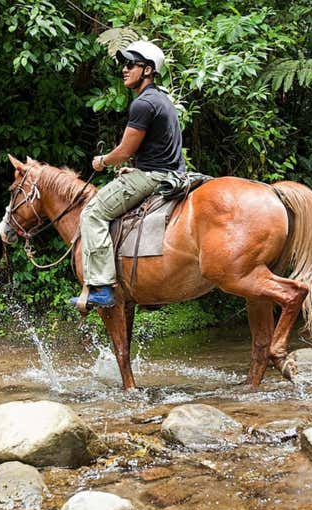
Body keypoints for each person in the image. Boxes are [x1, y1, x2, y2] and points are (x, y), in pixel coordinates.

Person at [70, 40, 186, 309]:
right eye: (125, 64)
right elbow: (158, 149)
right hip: (169, 173)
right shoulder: (161, 100)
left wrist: (102, 161)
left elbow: (123, 150)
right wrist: (135, 168)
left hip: (152, 177)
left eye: (130, 65)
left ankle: (102, 288)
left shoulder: (143, 104)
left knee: (92, 213)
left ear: (147, 70)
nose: (124, 70)